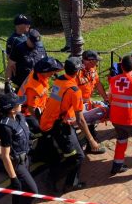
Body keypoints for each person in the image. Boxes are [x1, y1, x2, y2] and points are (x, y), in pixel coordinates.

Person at [40, 57, 103, 193]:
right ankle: (51, 178)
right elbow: (80, 120)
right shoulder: (75, 91)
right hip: (57, 125)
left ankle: (71, 183)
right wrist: (91, 140)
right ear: (78, 71)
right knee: (77, 157)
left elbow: (61, 101)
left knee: (77, 153)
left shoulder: (60, 79)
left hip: (53, 119)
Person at [0, 92, 38, 204]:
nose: (22, 104)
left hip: (26, 159)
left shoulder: (19, 116)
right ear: (12, 109)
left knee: (20, 191)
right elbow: (5, 155)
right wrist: (13, 178)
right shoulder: (5, 127)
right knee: (32, 190)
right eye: (19, 103)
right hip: (16, 164)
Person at [17, 56, 63, 129]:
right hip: (27, 112)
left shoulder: (38, 74)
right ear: (44, 72)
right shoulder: (33, 88)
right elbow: (31, 109)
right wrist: (40, 120)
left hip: (40, 105)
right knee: (42, 127)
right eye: (51, 71)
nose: (53, 73)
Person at [76, 50, 109, 146]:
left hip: (87, 102)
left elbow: (98, 84)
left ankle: (90, 138)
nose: (97, 63)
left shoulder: (92, 69)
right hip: (76, 105)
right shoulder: (77, 72)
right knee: (84, 121)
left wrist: (106, 99)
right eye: (96, 61)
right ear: (89, 61)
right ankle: (88, 141)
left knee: (93, 117)